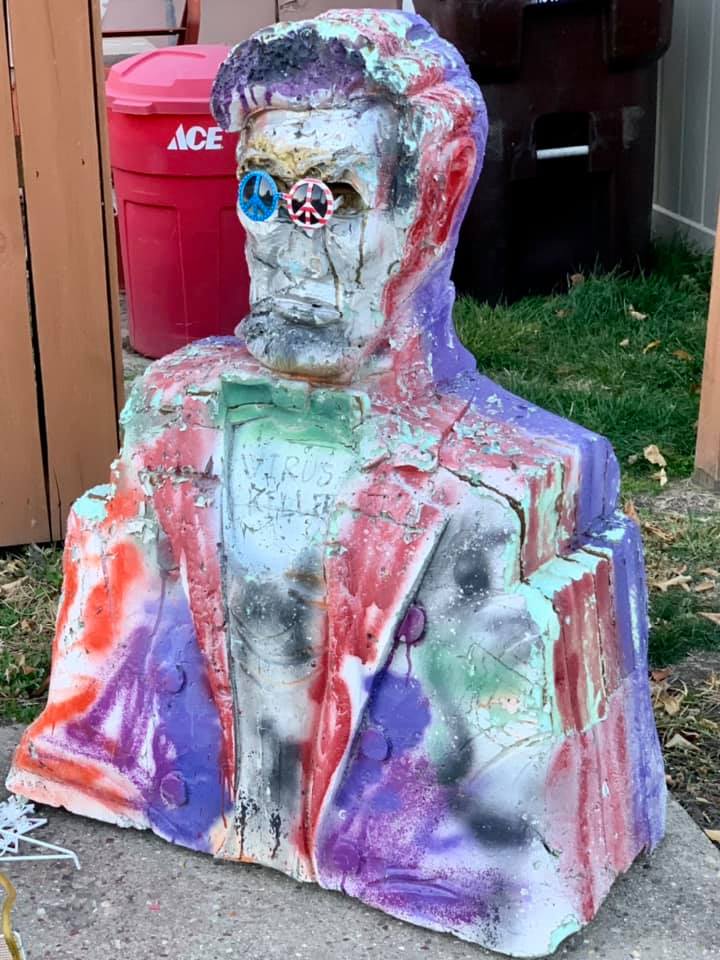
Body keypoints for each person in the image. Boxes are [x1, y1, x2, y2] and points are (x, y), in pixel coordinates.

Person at [7, 12, 665, 956]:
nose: (288, 246)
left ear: (428, 216)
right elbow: (105, 715)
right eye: (262, 195)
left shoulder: (518, 488)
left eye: (332, 201)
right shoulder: (170, 425)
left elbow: (498, 823)